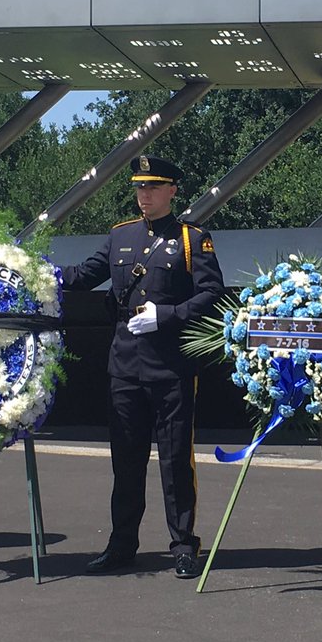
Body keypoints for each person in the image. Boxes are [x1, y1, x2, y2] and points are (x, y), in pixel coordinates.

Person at [62, 155, 225, 579]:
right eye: (139, 187)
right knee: (126, 459)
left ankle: (183, 543)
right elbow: (83, 275)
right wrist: (37, 274)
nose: (144, 195)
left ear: (173, 190)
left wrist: (167, 315)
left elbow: (212, 295)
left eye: (153, 187)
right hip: (125, 363)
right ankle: (121, 543)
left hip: (171, 363)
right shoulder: (120, 236)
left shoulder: (192, 239)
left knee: (174, 459)